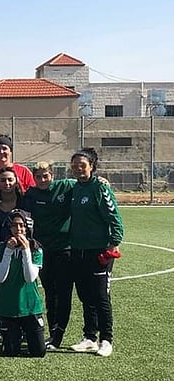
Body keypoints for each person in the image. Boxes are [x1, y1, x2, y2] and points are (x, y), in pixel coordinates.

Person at [67, 148, 124, 357]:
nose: (78, 169)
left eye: (82, 165)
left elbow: (114, 218)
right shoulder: (74, 188)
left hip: (99, 251)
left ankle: (106, 339)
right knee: (85, 296)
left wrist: (113, 243)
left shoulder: (100, 188)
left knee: (101, 296)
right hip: (78, 250)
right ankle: (90, 337)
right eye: (74, 165)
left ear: (92, 166)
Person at [22, 162, 75, 350]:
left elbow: (87, 183)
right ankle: (53, 332)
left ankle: (59, 334)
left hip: (64, 249)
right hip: (43, 251)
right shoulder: (31, 194)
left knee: (63, 292)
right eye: (39, 176)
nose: (43, 180)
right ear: (34, 178)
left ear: (52, 175)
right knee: (50, 292)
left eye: (46, 176)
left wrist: (101, 181)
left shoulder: (66, 186)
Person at [0, 210, 46, 357]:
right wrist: (8, 251)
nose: (18, 229)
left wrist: (26, 250)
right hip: (8, 308)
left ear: (28, 228)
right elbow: (0, 277)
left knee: (39, 352)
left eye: (22, 225)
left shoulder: (36, 249)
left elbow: (30, 277)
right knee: (11, 352)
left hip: (30, 307)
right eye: (14, 225)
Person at [0, 167, 25, 244]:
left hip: (21, 243)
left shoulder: (24, 202)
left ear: (16, 182)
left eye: (10, 180)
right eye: (3, 180)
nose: (7, 183)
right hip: (2, 245)